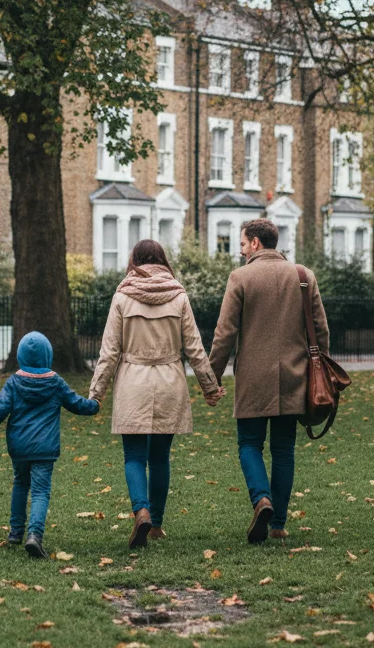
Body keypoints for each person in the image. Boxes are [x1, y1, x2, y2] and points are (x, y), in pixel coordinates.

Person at [90, 239, 225, 548]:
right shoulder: (178, 296)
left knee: (134, 455)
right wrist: (209, 386)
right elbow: (194, 347)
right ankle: (157, 524)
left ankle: (141, 511)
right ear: (163, 260)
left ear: (134, 261)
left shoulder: (123, 296)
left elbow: (109, 351)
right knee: (160, 456)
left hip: (133, 383)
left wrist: (96, 393)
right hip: (169, 382)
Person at [208, 218, 329, 544]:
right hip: (294, 375)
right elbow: (320, 330)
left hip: (253, 378)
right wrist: (321, 374)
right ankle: (278, 523)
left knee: (249, 444)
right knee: (284, 449)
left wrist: (212, 377)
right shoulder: (304, 277)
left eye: (244, 243)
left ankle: (261, 497)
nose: (242, 249)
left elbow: (225, 334)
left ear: (257, 243)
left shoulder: (241, 278)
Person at [0, 331, 99, 558]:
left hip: (19, 447)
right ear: (48, 355)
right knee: (40, 491)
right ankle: (34, 535)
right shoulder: (55, 382)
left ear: (20, 356)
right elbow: (77, 404)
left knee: (20, 484)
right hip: (45, 448)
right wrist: (94, 405)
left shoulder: (14, 382)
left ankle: (15, 532)